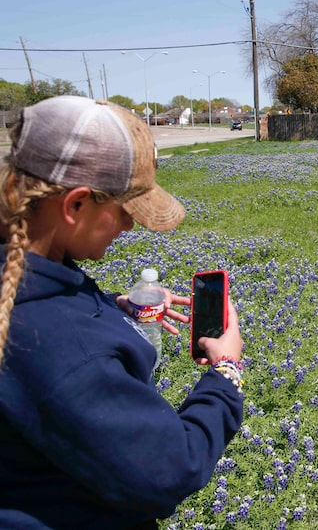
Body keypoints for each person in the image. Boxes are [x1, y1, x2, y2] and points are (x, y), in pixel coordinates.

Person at [0, 96, 244, 529]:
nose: (130, 226)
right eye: (123, 211)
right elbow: (168, 470)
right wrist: (226, 372)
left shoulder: (24, 278)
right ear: (75, 205)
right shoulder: (61, 348)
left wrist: (109, 308)